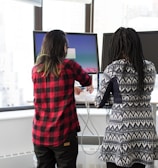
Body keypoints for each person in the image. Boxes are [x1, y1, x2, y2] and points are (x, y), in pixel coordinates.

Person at [94, 27, 158, 168]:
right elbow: (141, 95)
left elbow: (98, 102)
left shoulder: (113, 68)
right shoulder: (150, 67)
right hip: (144, 131)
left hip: (121, 132)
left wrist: (117, 100)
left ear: (116, 46)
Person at [32, 29, 93, 168]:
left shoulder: (36, 69)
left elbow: (49, 88)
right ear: (63, 47)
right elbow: (86, 80)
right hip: (63, 134)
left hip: (40, 135)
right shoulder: (69, 66)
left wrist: (70, 87)